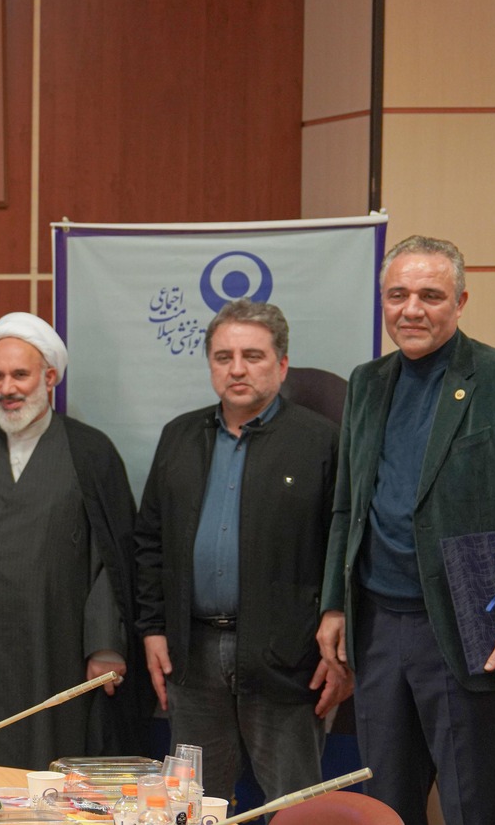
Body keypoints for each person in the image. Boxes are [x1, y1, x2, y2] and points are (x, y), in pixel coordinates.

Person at [317, 236, 495, 825]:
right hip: (378, 630)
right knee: (385, 808)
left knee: (471, 807)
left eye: (430, 296)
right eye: (398, 295)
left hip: (469, 631)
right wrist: (335, 605)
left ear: (460, 302)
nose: (412, 309)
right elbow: (347, 508)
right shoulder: (366, 382)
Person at [133, 300, 348, 802]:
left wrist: (344, 648)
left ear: (282, 364)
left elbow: (345, 551)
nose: (236, 369)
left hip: (287, 657)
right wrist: (153, 628)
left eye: (253, 356)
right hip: (192, 656)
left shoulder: (321, 442)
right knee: (194, 804)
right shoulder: (179, 437)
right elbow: (149, 542)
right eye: (223, 357)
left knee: (295, 805)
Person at [0, 312, 139, 766]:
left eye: (20, 374)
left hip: (56, 646)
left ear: (50, 377)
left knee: (52, 759)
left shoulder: (91, 452)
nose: (7, 387)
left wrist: (105, 647)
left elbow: (110, 563)